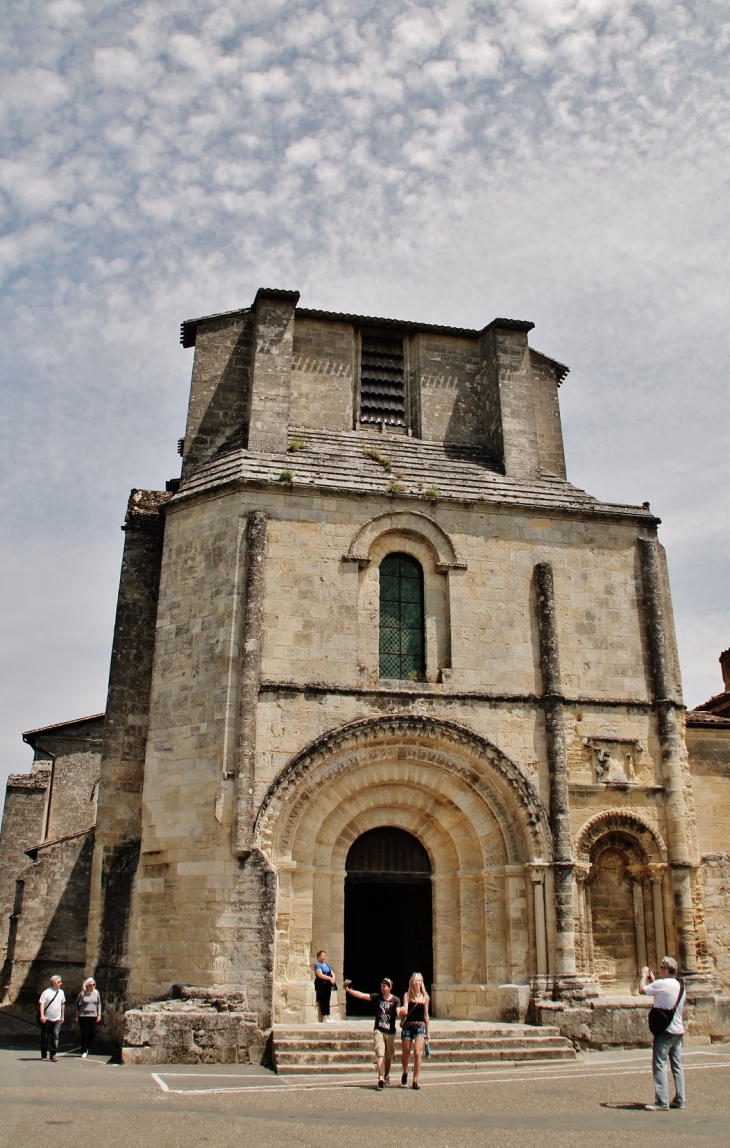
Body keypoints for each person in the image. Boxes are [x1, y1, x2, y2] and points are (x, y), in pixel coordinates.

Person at [640, 956, 685, 1111]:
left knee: (659, 1064)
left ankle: (662, 1101)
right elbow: (664, 994)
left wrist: (644, 977)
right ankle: (680, 1099)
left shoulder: (660, 984)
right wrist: (654, 980)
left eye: (661, 967)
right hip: (678, 1030)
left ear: (665, 969)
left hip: (665, 1032)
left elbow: (641, 990)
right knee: (677, 1065)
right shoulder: (680, 986)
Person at [344, 977, 401, 1088]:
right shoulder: (377, 998)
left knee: (389, 1057)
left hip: (390, 1033)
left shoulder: (396, 1000)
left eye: (384, 986)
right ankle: (380, 1077)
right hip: (379, 1030)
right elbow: (362, 995)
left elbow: (398, 1013)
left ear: (390, 988)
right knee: (380, 1054)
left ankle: (386, 1075)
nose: (382, 988)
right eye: (381, 986)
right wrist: (348, 990)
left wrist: (402, 1013)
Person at [398, 971, 430, 1090]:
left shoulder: (425, 997)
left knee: (417, 1052)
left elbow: (426, 1015)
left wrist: (428, 1032)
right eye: (416, 980)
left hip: (420, 1026)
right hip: (408, 1025)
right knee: (405, 1053)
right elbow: (405, 1008)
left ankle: (415, 1080)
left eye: (419, 980)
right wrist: (402, 1011)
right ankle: (405, 1071)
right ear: (412, 982)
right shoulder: (407, 995)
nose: (417, 983)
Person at [39, 975, 65, 1062]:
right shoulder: (46, 992)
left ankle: (53, 1054)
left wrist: (62, 1015)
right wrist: (42, 1016)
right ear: (53, 983)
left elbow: (62, 1004)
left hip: (57, 1019)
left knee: (55, 1037)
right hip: (47, 1018)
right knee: (45, 1037)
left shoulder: (61, 992)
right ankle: (44, 1054)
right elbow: (42, 1004)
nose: (60, 983)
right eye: (59, 982)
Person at [75, 978, 102, 1058]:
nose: (92, 986)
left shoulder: (96, 993)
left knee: (92, 1033)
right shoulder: (82, 993)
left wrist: (99, 1015)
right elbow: (76, 1004)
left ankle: (86, 1047)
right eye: (90, 985)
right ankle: (84, 1050)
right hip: (83, 1016)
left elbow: (99, 1004)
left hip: (93, 1015)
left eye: (93, 984)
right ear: (87, 985)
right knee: (84, 1033)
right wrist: (76, 1015)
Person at [314, 950, 336, 1023]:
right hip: (321, 985)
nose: (323, 957)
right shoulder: (318, 965)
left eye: (324, 956)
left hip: (327, 985)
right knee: (323, 1000)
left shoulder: (327, 964)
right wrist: (329, 978)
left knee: (327, 1000)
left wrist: (333, 978)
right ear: (319, 956)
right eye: (322, 956)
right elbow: (320, 974)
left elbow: (332, 973)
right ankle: (324, 1017)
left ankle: (328, 1016)